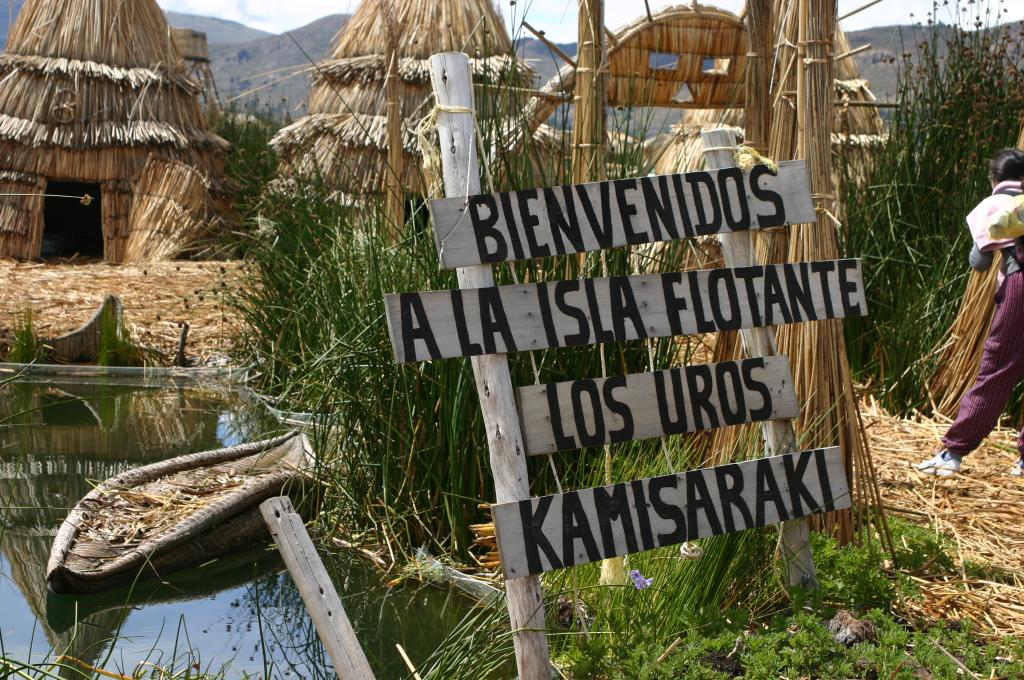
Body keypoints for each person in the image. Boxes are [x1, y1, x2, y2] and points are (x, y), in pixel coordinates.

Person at [917, 148, 1024, 477]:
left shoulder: (993, 206)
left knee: (997, 368)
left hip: (1021, 287)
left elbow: (979, 263)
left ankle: (954, 453)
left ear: (994, 178)